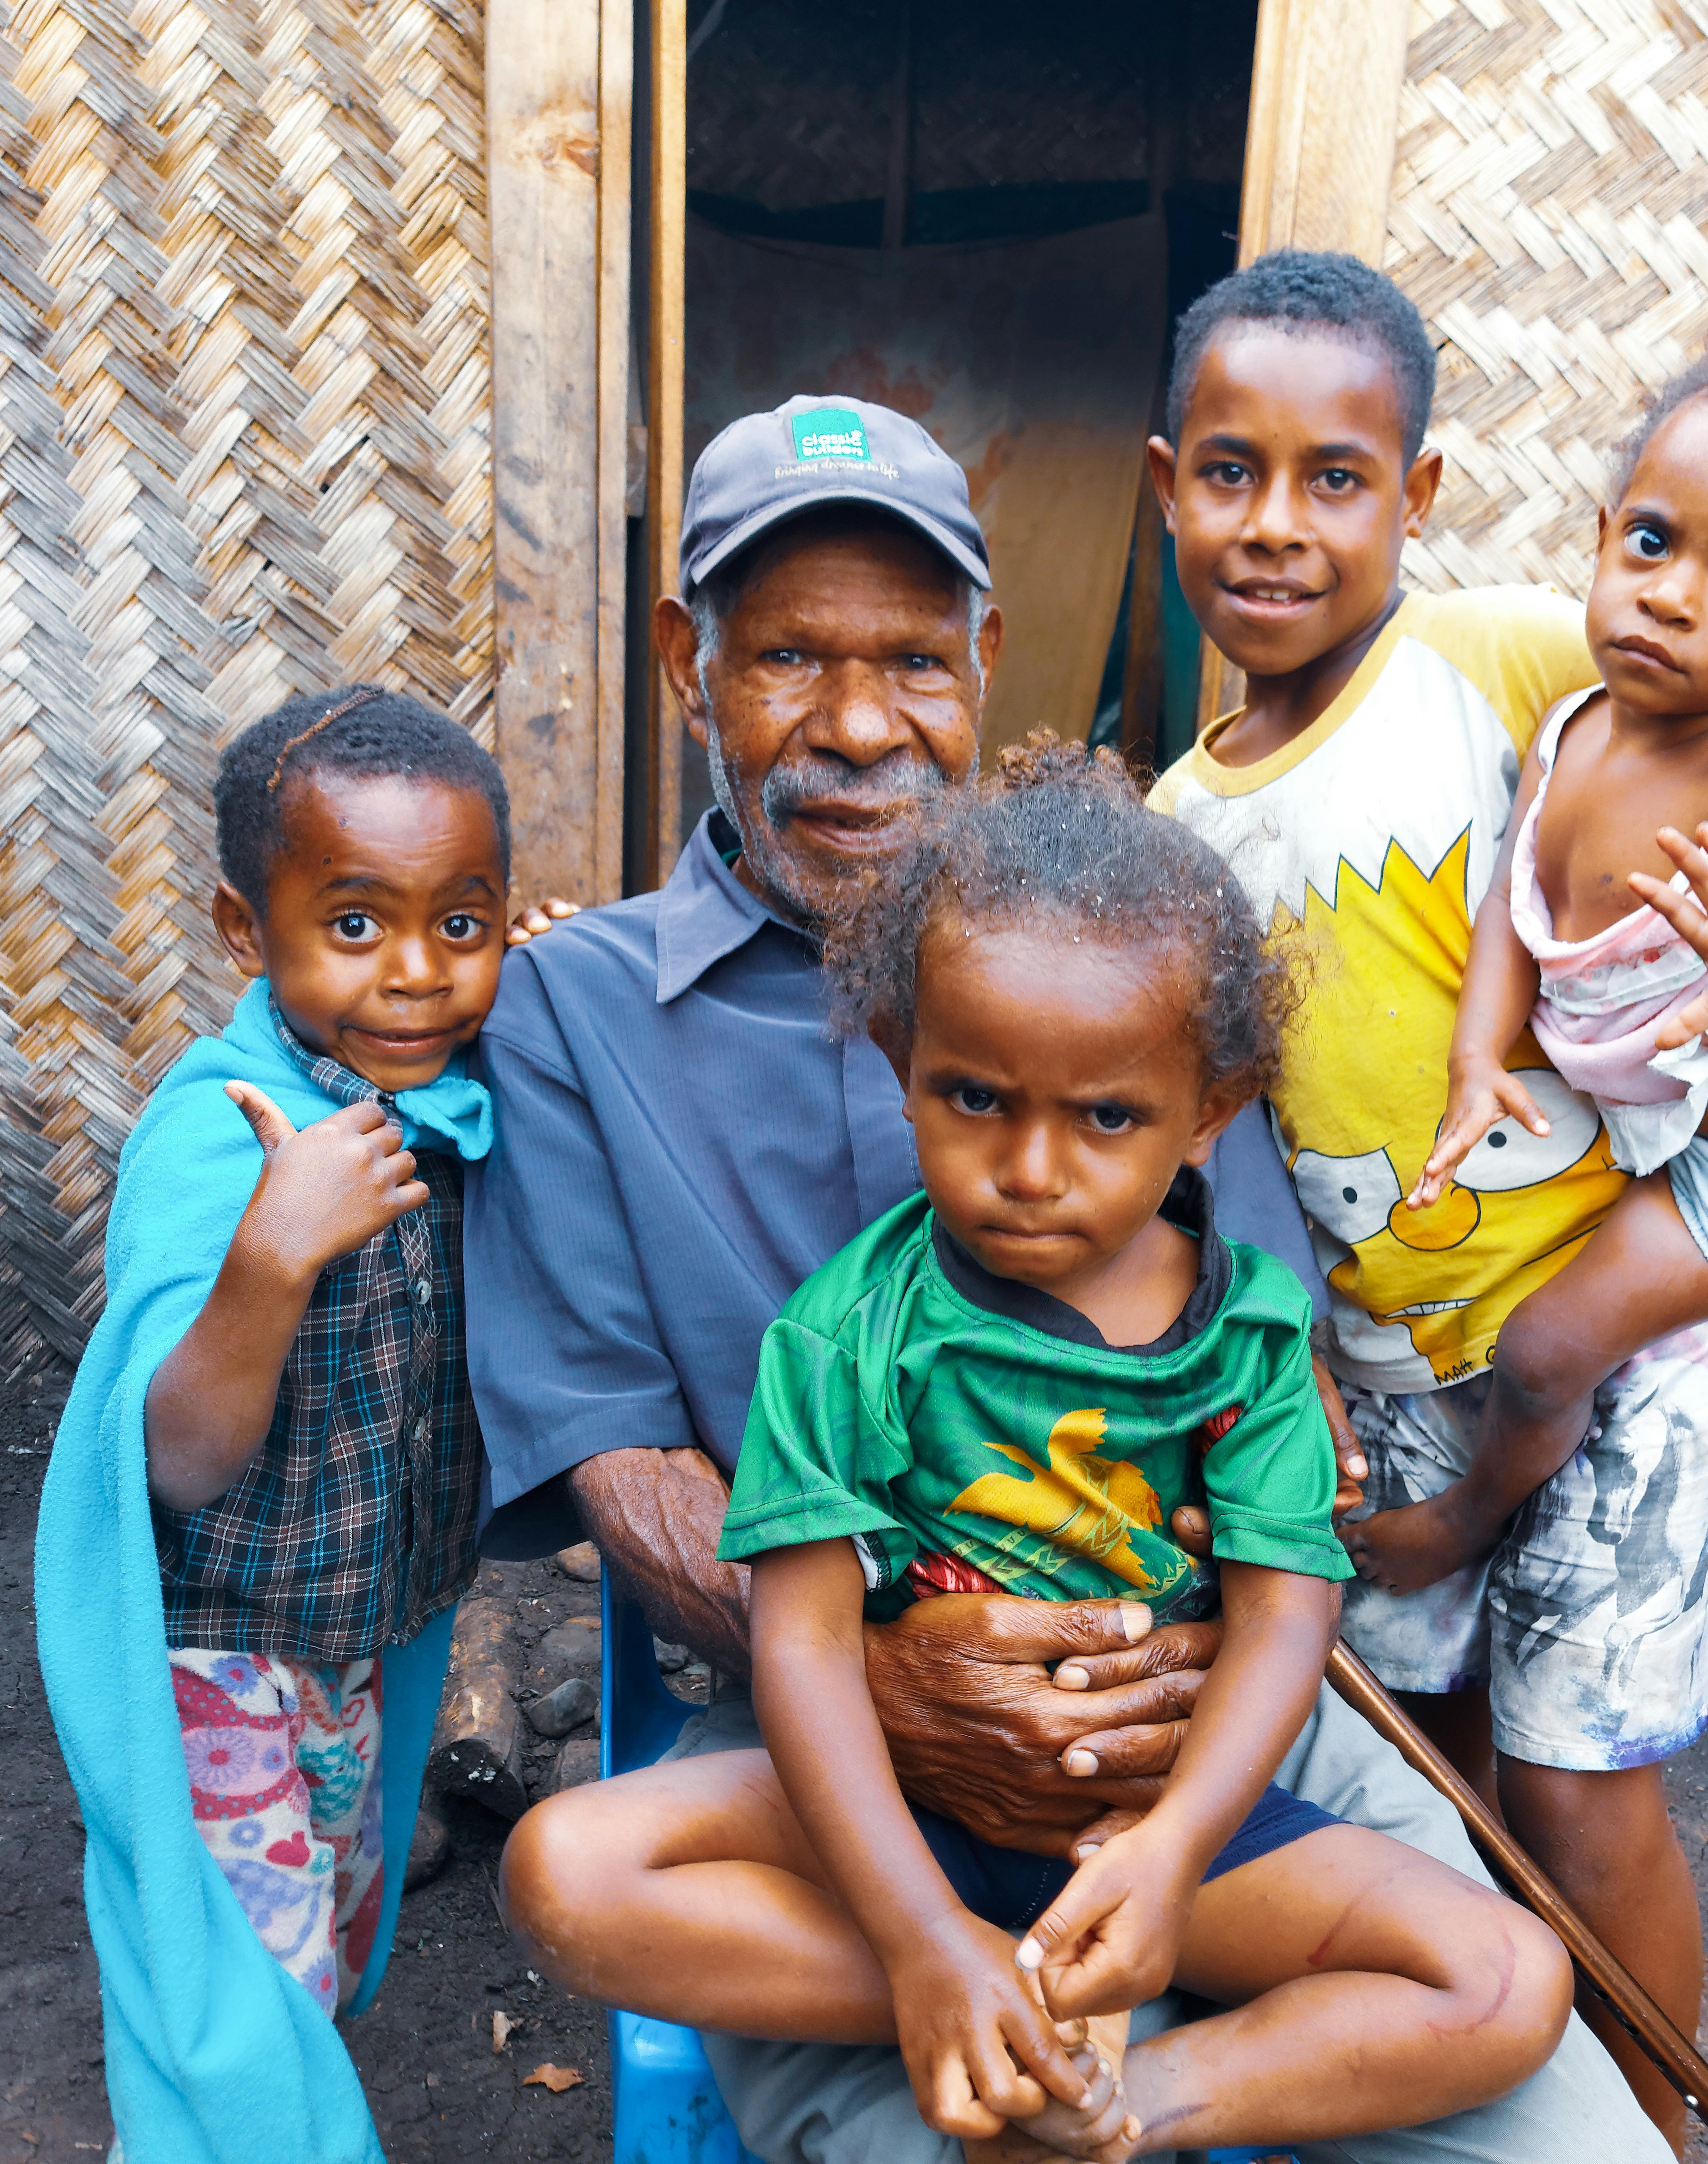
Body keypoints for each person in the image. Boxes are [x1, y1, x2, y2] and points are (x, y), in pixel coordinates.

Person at [470, 392, 1664, 2164]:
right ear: (684, 663)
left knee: (1560, 2126)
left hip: (1204, 1734)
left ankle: (1119, 2068)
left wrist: (1159, 1755)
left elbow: (1287, 1447)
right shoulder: (573, 1013)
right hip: (851, 1776)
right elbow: (622, 1470)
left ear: (987, 656)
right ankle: (1001, 2005)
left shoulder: (1136, 959)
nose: (859, 726)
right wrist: (904, 1695)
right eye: (788, 658)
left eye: (913, 662)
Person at [539, 741, 1575, 2163]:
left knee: (1508, 1979)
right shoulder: (846, 1335)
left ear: (1208, 1112)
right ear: (902, 1059)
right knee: (567, 1873)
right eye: (974, 1098)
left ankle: (1116, 2108)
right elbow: (801, 1650)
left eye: (1104, 1117)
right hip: (895, 1814)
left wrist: (1170, 1854)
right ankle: (969, 2000)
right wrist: (916, 1938)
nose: (1030, 1168)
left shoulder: (1249, 1336)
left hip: (1155, 1821)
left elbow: (1284, 1612)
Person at [1140, 253, 1708, 2144]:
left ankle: (1640, 2126)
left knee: (1571, 1777)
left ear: (1420, 495)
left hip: (1611, 1320)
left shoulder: (1510, 653)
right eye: (1229, 474)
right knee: (1443, 1759)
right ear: (1165, 486)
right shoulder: (1170, 827)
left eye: (1338, 480)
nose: (1277, 526)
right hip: (1391, 1362)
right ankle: (1500, 2093)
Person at [1361, 318, 1708, 1593]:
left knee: (1548, 1348)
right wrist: (1471, 1058)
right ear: (1607, 527)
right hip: (1647, 1118)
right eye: (1655, 544)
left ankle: (1473, 1517)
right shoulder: (1576, 721)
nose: (1672, 594)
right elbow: (1517, 900)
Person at [36, 688, 514, 2160]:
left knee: (325, 1940)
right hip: (220, 1664)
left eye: (465, 923)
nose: (419, 977)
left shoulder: (438, 1086)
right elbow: (170, 1454)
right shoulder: (222, 1131)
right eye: (356, 925)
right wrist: (271, 1252)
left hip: (352, 1641)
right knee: (244, 2004)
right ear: (247, 933)